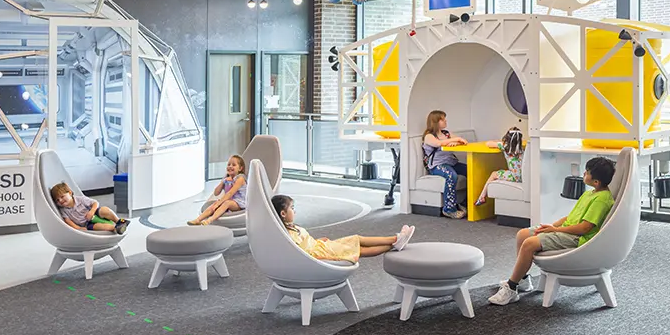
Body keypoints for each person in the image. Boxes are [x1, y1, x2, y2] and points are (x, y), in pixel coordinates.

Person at [488, 156, 617, 306]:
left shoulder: (602, 199)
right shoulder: (589, 193)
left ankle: (511, 287)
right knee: (522, 234)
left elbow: (584, 228)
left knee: (529, 244)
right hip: (565, 231)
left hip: (577, 238)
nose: (583, 174)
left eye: (587, 173)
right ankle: (523, 279)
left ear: (596, 181)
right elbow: (571, 217)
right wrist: (550, 227)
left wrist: (555, 230)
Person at [272, 194, 415, 262]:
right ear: (283, 213)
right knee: (359, 248)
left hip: (320, 246)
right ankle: (396, 241)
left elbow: (304, 242)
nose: (294, 211)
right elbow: (299, 252)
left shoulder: (292, 228)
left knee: (357, 240)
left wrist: (316, 241)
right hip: (318, 253)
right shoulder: (287, 235)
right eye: (292, 208)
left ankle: (396, 241)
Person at [422, 110, 468, 219]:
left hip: (451, 162)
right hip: (437, 165)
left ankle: (466, 203)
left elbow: (461, 142)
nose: (445, 121)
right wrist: (454, 140)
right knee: (451, 175)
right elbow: (438, 143)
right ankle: (449, 209)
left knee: (471, 171)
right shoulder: (429, 136)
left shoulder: (446, 133)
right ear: (435, 122)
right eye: (443, 119)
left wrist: (454, 142)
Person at [51, 182, 130, 234]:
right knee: (99, 227)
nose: (60, 200)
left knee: (104, 210)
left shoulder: (80, 199)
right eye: (57, 200)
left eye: (62, 196)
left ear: (70, 193)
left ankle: (119, 221)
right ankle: (116, 229)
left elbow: (95, 203)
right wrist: (78, 228)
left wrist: (92, 211)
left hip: (93, 214)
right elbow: (67, 221)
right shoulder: (63, 210)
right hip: (86, 224)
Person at [189, 154, 247, 226]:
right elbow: (216, 193)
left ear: (240, 168)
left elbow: (230, 193)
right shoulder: (226, 179)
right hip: (230, 200)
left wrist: (219, 203)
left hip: (240, 203)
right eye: (228, 164)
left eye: (233, 165)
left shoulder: (240, 178)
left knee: (226, 203)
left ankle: (209, 220)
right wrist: (223, 182)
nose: (230, 166)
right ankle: (198, 219)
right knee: (214, 204)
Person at [475, 126, 525, 207]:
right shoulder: (521, 149)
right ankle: (482, 197)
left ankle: (482, 196)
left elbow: (488, 144)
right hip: (523, 176)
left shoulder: (505, 147)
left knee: (493, 174)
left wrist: (499, 142)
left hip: (514, 177)